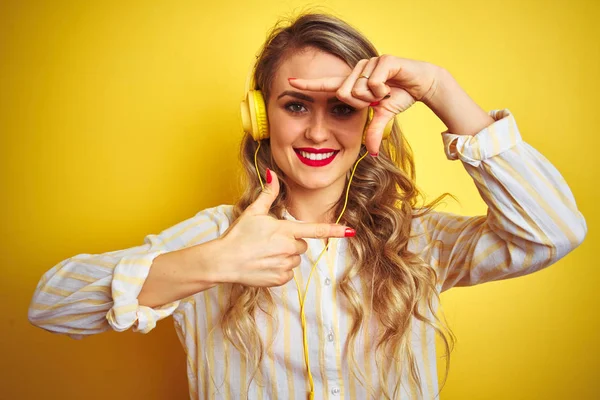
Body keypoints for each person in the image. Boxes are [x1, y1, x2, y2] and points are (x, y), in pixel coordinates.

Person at [28, 12, 587, 400]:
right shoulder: (217, 238)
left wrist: (441, 89)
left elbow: (553, 231)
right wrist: (212, 264)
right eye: (296, 105)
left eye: (342, 108)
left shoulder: (416, 240)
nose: (318, 130)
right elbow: (51, 304)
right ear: (260, 116)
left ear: (371, 118)